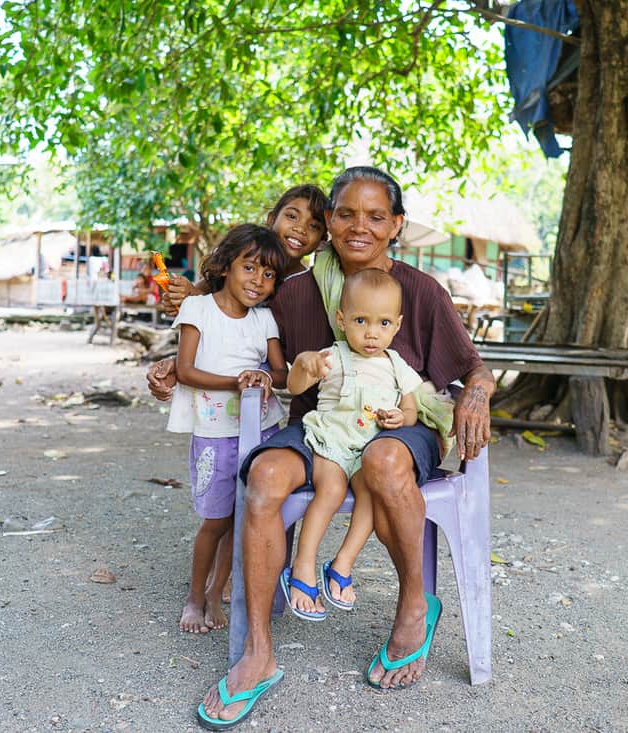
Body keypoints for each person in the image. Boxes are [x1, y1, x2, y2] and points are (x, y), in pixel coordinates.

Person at [148, 166, 493, 728]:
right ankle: (257, 653)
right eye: (347, 214)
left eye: (376, 216)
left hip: (397, 428)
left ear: (396, 225)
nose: (360, 226)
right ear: (328, 221)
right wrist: (172, 365)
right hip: (320, 428)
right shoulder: (296, 293)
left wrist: (475, 397)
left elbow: (475, 369)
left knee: (382, 459)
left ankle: (414, 605)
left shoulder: (420, 290)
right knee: (262, 479)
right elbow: (235, 336)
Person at [167, 223, 291, 635]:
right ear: (225, 265)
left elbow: (280, 372)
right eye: (250, 268)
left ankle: (218, 590)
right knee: (215, 520)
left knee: (242, 516)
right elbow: (185, 371)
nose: (259, 281)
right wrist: (237, 380)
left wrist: (262, 377)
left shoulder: (264, 319)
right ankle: (194, 596)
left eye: (269, 274)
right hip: (215, 433)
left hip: (263, 430)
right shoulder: (197, 310)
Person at [280, 268, 423, 620]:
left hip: (368, 447)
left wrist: (400, 419)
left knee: (370, 497)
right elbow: (295, 387)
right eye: (361, 320)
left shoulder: (396, 365)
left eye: (384, 323)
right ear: (342, 320)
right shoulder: (332, 355)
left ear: (398, 324)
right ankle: (303, 565)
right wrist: (303, 364)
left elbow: (411, 410)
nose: (372, 333)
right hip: (332, 440)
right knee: (329, 490)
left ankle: (342, 563)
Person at [161, 184, 329, 315]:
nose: (300, 229)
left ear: (322, 239)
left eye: (314, 225)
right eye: (292, 216)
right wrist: (184, 295)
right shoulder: (243, 253)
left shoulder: (310, 284)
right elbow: (199, 293)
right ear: (271, 219)